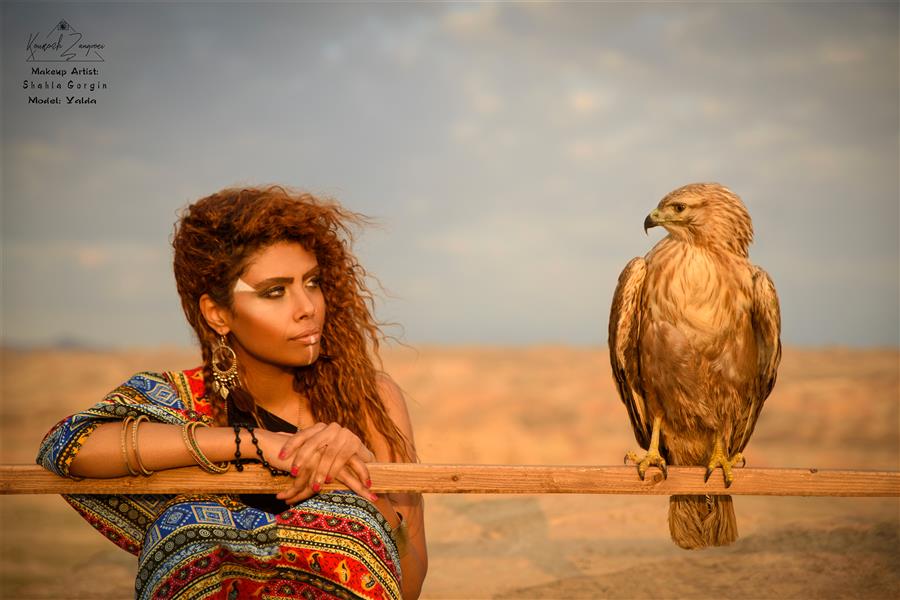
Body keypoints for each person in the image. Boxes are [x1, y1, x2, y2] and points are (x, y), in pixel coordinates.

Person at [37, 185, 427, 599]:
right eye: (275, 291)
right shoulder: (181, 402)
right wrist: (256, 444)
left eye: (312, 283)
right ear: (218, 314)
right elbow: (69, 446)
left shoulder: (368, 401)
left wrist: (365, 492)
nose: (307, 306)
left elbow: (412, 580)